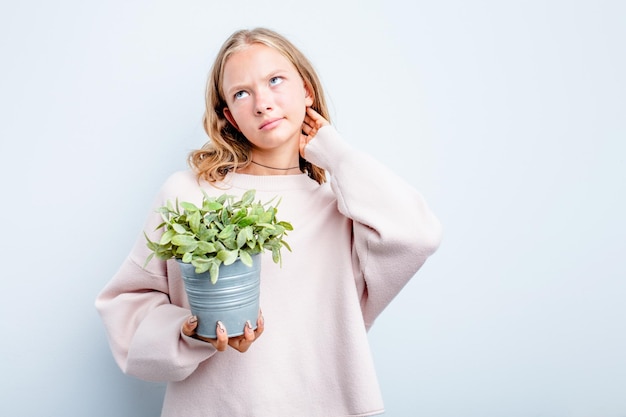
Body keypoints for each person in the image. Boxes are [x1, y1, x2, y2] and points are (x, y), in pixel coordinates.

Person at [95, 27, 442, 417]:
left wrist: (335, 153)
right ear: (229, 116)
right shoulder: (187, 194)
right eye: (241, 93)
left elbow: (417, 236)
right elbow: (127, 304)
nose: (262, 103)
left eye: (275, 80)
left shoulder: (343, 209)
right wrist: (193, 334)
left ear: (306, 90)